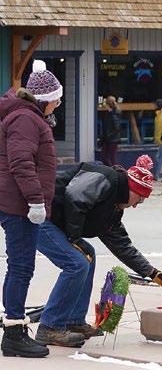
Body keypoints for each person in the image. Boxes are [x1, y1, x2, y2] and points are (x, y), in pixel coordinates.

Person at [34, 155, 162, 347]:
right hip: (40, 217)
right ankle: (50, 327)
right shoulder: (106, 178)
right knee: (77, 264)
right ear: (132, 189)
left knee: (88, 255)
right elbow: (75, 196)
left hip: (54, 221)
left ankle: (73, 321)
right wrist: (74, 238)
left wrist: (152, 273)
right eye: (139, 198)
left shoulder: (114, 209)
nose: (136, 205)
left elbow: (122, 245)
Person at [0, 59, 62, 358]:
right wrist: (36, 201)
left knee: (20, 265)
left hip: (18, 201)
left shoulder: (28, 116)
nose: (59, 103)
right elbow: (21, 162)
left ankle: (14, 328)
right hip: (19, 204)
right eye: (56, 99)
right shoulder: (25, 119)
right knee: (21, 266)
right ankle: (13, 333)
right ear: (45, 99)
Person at [99, 96, 121, 167]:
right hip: (108, 138)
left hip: (112, 139)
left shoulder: (113, 114)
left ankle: (115, 171)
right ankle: (110, 169)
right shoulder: (109, 113)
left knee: (112, 157)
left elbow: (116, 128)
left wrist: (109, 135)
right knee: (105, 156)